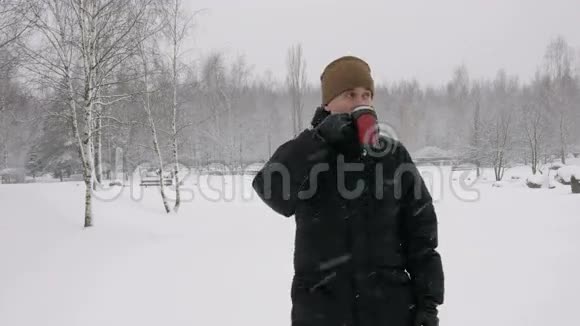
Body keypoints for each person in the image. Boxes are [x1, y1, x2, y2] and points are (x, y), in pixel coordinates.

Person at [252, 56, 444, 326]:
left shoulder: (393, 156)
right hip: (321, 313)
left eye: (367, 94)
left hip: (391, 312)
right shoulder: (309, 151)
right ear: (328, 104)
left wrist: (428, 304)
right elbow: (270, 191)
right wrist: (316, 138)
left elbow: (421, 237)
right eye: (349, 94)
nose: (360, 102)